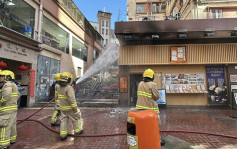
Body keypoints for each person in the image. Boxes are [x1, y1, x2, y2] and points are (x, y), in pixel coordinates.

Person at [135, 68, 165, 146]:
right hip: (151, 111)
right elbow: (157, 97)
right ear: (152, 77)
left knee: (142, 127)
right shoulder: (152, 84)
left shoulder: (140, 84)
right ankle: (157, 140)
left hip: (139, 110)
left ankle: (143, 140)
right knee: (155, 126)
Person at [56, 72, 83, 141]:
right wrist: (75, 108)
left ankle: (63, 135)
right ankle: (78, 131)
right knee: (76, 119)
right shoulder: (69, 88)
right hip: (70, 109)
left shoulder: (58, 87)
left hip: (63, 109)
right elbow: (72, 99)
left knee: (63, 121)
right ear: (68, 79)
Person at [0, 70, 20, 149]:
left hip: (6, 110)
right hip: (12, 109)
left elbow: (6, 97)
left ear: (6, 77)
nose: (0, 77)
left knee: (5, 127)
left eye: (1, 76)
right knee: (12, 125)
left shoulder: (7, 84)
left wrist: (1, 102)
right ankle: (12, 139)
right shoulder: (13, 84)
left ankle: (3, 145)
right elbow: (18, 95)